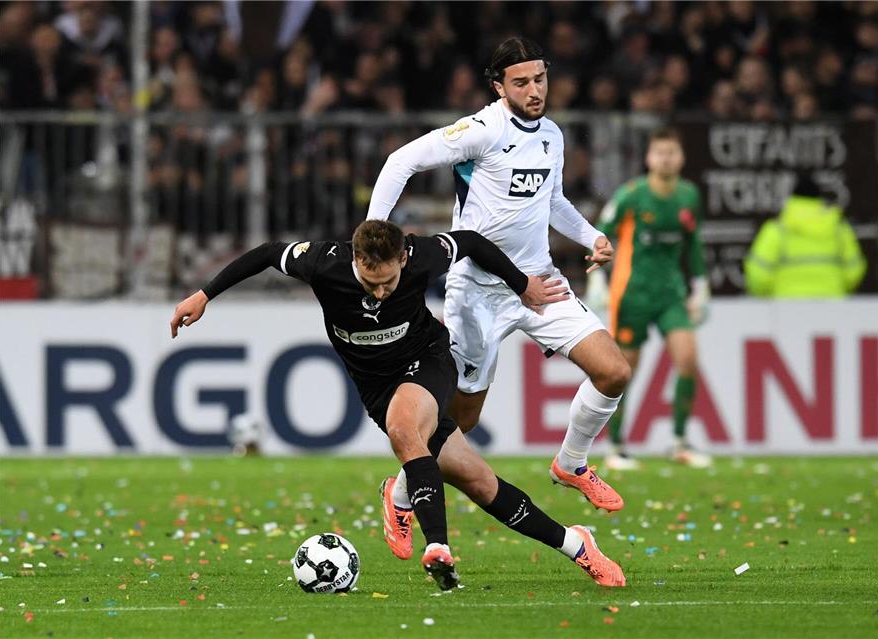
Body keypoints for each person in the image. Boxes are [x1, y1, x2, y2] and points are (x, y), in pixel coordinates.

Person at [170, 220, 626, 590]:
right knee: (478, 481)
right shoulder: (324, 262)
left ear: (403, 259)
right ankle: (576, 544)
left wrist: (521, 283)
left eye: (388, 281)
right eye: (371, 282)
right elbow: (268, 253)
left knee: (406, 430)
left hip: (428, 360)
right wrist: (204, 294)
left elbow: (470, 241)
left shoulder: (421, 253)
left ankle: (438, 546)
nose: (380, 292)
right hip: (375, 387)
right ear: (356, 260)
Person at [366, 37, 633, 561]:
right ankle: (399, 495)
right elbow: (400, 161)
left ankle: (571, 464)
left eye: (540, 79)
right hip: (478, 293)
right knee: (459, 423)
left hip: (539, 284)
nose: (535, 91)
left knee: (614, 371)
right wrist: (374, 235)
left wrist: (593, 236)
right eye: (521, 83)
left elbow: (553, 201)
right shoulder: (481, 131)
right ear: (498, 86)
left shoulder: (551, 136)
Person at [592, 127, 713, 470]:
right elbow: (601, 234)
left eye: (671, 152)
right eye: (660, 152)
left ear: (681, 158)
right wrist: (599, 278)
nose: (665, 159)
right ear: (648, 158)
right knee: (624, 371)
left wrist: (700, 284)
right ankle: (616, 446)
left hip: (671, 294)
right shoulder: (632, 196)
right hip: (633, 294)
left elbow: (693, 243)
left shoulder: (689, 196)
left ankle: (679, 442)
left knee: (687, 360)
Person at [744, 175, 866, 297]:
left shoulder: (776, 231)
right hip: (832, 303)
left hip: (786, 304)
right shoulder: (839, 230)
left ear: (792, 198)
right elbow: (854, 271)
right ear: (819, 198)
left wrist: (768, 294)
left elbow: (757, 274)